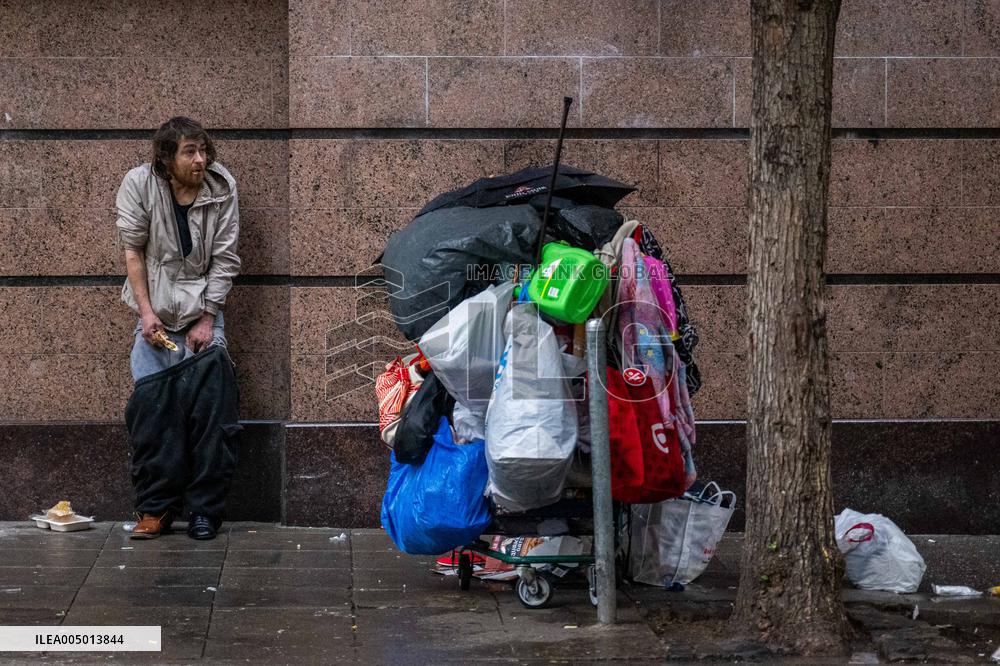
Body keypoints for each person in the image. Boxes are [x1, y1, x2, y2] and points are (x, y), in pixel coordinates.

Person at [116, 116, 241, 540]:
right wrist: (146, 314)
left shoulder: (222, 187)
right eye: (189, 152)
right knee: (152, 414)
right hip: (154, 314)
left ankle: (205, 510)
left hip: (203, 312)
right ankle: (156, 509)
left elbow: (225, 259)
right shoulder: (138, 183)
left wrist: (208, 319)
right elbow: (133, 250)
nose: (200, 159)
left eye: (203, 150)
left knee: (211, 415)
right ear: (167, 158)